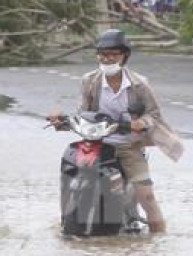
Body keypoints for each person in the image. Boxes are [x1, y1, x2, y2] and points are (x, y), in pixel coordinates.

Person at [48, 28, 183, 234]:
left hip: (129, 145)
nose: (108, 58)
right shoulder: (89, 81)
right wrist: (61, 121)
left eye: (113, 54)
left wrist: (141, 123)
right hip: (97, 143)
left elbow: (154, 116)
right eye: (103, 54)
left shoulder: (139, 84)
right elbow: (83, 114)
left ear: (124, 56)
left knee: (147, 197)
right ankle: (66, 225)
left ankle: (158, 240)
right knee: (72, 175)